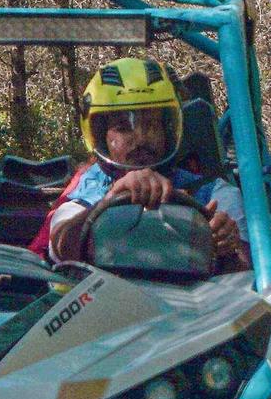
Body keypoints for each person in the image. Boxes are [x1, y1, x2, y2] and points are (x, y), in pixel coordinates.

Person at [44, 55, 246, 271]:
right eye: (123, 127)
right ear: (101, 135)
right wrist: (109, 201)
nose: (140, 139)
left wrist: (228, 245)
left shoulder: (212, 193)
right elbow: (60, 249)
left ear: (167, 129)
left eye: (151, 125)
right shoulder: (85, 191)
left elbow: (254, 278)